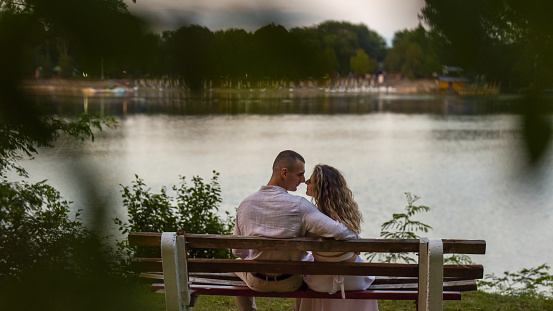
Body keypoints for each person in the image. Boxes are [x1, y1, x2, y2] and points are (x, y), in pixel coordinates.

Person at [232, 151, 358, 311]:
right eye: (299, 175)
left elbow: (238, 252)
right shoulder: (299, 205)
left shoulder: (246, 204)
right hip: (290, 282)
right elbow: (340, 232)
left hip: (257, 282)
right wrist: (356, 239)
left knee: (237, 264)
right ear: (284, 173)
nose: (303, 180)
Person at [296, 164, 379, 311]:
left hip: (321, 283)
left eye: (311, 180)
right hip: (355, 280)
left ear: (320, 188)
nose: (306, 181)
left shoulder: (312, 218)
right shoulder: (345, 219)